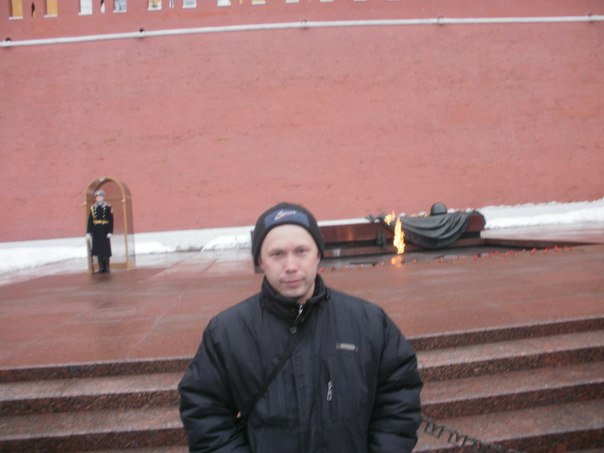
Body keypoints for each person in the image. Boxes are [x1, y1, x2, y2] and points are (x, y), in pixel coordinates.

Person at [179, 202, 423, 452]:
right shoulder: (227, 332)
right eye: (277, 254)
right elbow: (204, 411)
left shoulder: (368, 322)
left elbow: (398, 398)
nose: (291, 266)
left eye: (301, 251)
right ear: (260, 261)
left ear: (317, 254)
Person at [86, 189, 113, 274]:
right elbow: (90, 220)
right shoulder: (93, 207)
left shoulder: (108, 206)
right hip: (96, 230)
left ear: (103, 197)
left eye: (100, 196)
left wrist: (110, 231)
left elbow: (111, 220)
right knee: (98, 249)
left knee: (106, 250)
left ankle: (107, 267)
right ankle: (101, 267)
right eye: (97, 197)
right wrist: (88, 232)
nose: (98, 198)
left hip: (105, 230)